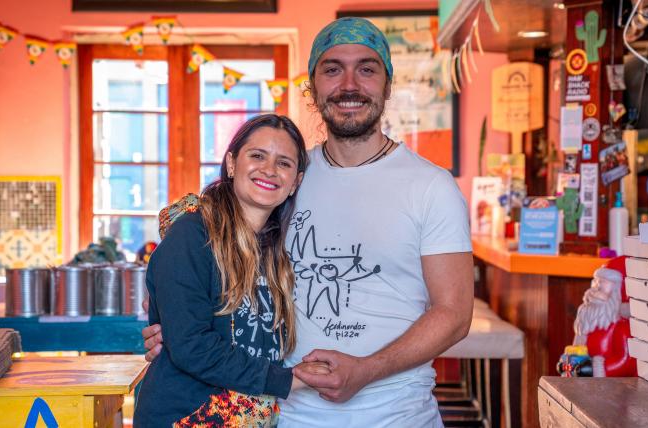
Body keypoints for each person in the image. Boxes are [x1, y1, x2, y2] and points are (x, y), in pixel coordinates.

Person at [143, 17, 474, 427]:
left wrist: (367, 368)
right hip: (286, 414)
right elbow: (220, 258)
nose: (349, 84)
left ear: (387, 85)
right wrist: (172, 323)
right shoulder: (286, 177)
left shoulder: (432, 187)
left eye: (366, 69)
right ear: (313, 86)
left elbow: (455, 314)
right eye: (332, 69)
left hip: (396, 415)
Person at [133, 114, 329, 427]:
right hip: (187, 417)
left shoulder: (276, 249)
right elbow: (191, 346)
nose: (269, 170)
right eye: (257, 155)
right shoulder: (192, 235)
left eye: (284, 163)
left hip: (251, 417)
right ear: (232, 163)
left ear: (296, 182)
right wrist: (286, 380)